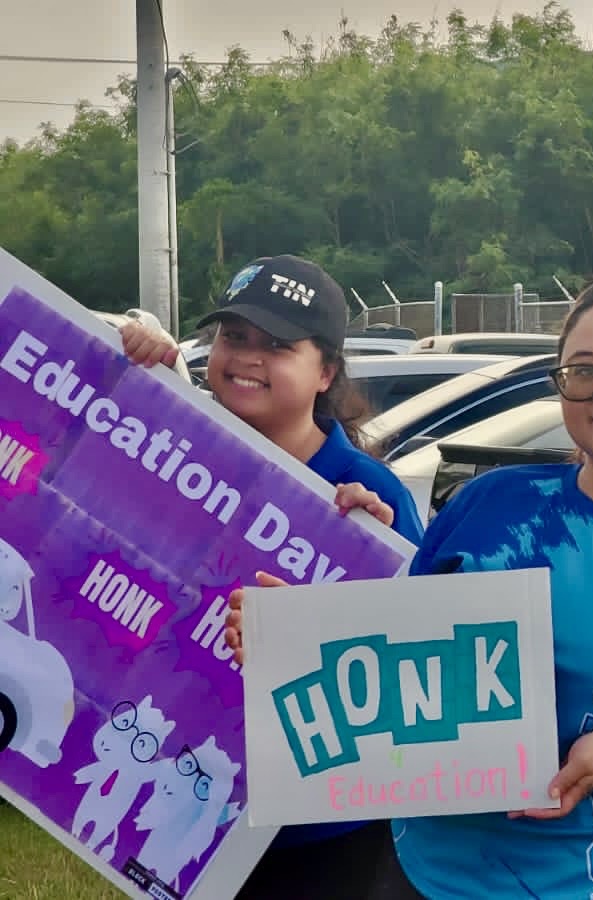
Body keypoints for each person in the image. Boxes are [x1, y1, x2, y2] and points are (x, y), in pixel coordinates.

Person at [230, 274, 593, 899]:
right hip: (427, 878)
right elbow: (400, 666)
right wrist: (296, 633)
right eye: (584, 371)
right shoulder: (491, 504)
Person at [122, 254, 425, 899]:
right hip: (186, 793)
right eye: (233, 336)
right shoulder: (174, 437)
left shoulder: (369, 499)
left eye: (278, 345)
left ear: (326, 372)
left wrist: (361, 569)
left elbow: (419, 660)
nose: (247, 358)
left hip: (324, 827)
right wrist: (128, 362)